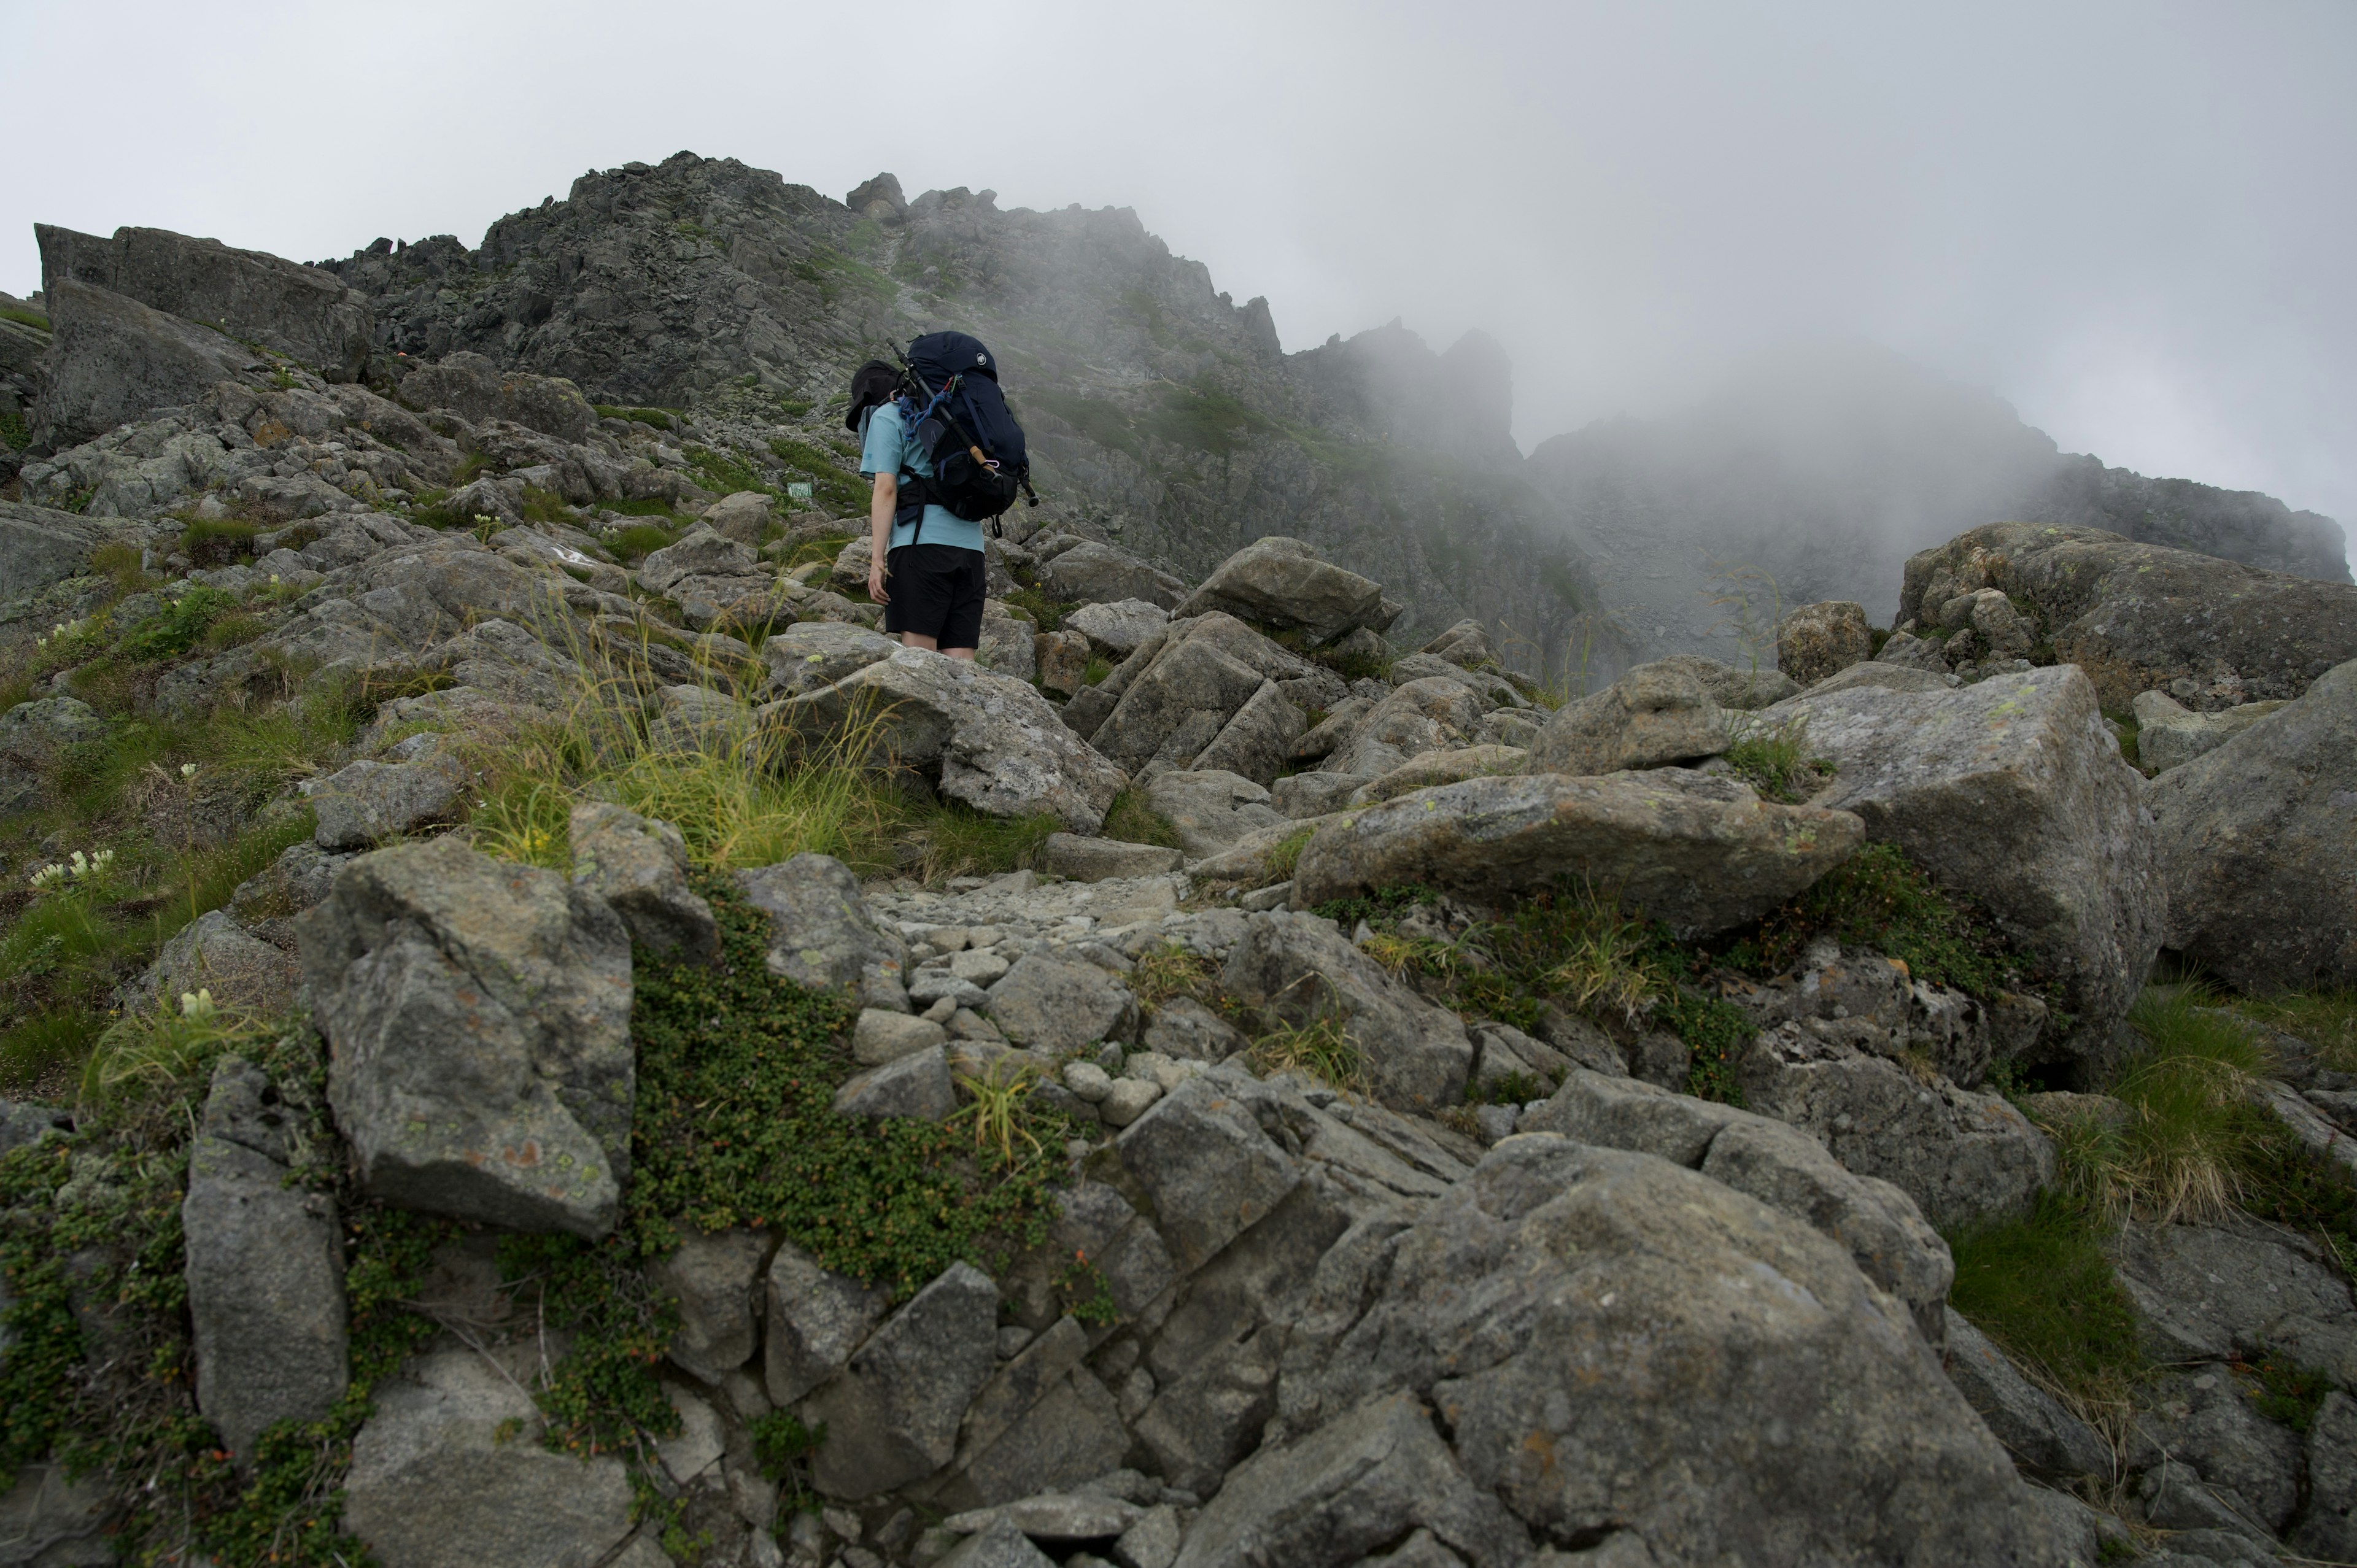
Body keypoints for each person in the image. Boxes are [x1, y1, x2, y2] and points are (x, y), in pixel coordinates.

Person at [847, 359, 986, 658]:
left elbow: (886, 489)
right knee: (963, 669)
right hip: (972, 552)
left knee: (923, 665)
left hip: (920, 550)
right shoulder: (956, 418)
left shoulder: (888, 417)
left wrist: (876, 561)